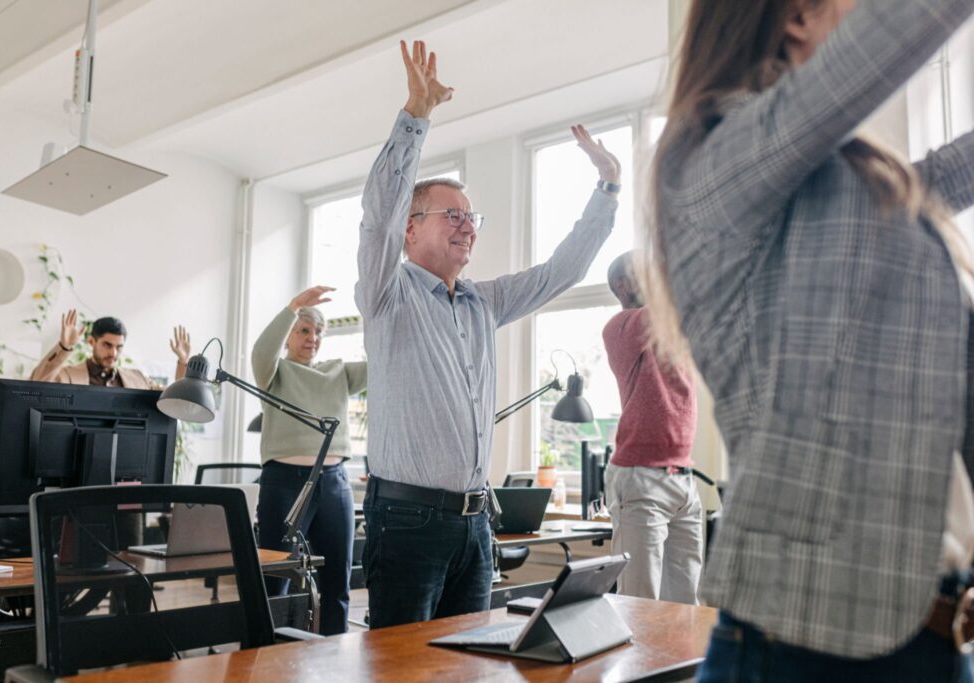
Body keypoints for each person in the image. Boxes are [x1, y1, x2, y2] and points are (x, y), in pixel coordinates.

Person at [646, 0, 974, 679]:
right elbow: (903, 26)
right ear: (797, 15)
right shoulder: (707, 159)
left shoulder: (841, 188)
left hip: (930, 633)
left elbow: (945, 173)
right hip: (803, 647)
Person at [356, 39, 621, 629]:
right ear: (410, 231)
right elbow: (378, 211)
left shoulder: (484, 301)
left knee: (466, 666)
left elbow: (562, 273)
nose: (467, 227)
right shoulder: (386, 293)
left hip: (477, 524)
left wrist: (607, 191)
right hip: (406, 522)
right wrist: (415, 117)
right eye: (452, 215)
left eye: (471, 218)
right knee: (402, 670)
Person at [251, 286, 365, 636]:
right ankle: (266, 656)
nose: (312, 338)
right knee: (276, 578)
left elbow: (385, 364)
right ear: (288, 337)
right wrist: (294, 307)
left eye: (317, 332)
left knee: (337, 580)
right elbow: (261, 350)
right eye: (303, 330)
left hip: (334, 482)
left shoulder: (338, 372)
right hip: (283, 482)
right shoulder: (275, 372)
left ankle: (335, 656)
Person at [601, 252, 701, 605]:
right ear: (622, 285)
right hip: (640, 477)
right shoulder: (621, 327)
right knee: (638, 605)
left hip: (682, 479)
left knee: (685, 606)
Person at [30, 308, 190, 387]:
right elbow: (36, 385)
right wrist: (65, 347)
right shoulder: (67, 376)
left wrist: (183, 361)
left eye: (119, 347)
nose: (113, 353)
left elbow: (173, 400)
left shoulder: (138, 379)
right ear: (92, 342)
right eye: (107, 345)